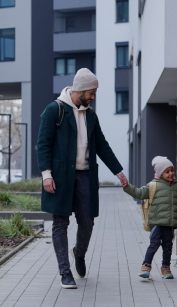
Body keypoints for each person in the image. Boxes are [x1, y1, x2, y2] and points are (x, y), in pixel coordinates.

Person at [36, 68, 128, 289]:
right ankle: (65, 272)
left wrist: (118, 171)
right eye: (92, 92)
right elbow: (43, 145)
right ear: (81, 90)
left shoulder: (91, 115)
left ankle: (79, 252)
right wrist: (46, 175)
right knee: (60, 224)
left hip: (86, 176)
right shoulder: (54, 110)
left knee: (87, 222)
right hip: (60, 176)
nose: (93, 96)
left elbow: (102, 146)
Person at [123, 156, 177, 279]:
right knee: (154, 244)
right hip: (156, 222)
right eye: (167, 171)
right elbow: (139, 193)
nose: (171, 173)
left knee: (168, 247)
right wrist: (127, 186)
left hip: (170, 223)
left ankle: (166, 268)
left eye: (172, 170)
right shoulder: (153, 186)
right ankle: (146, 266)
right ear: (160, 173)